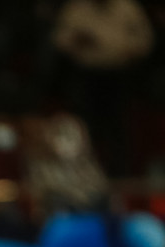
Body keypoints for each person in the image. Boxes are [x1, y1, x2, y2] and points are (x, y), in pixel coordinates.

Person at [52, 0, 154, 175]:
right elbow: (59, 39)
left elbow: (145, 40)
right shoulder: (77, 8)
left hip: (118, 74)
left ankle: (121, 173)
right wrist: (75, 40)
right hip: (86, 75)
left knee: (118, 124)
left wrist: (128, 49)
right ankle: (82, 172)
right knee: (84, 126)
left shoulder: (127, 7)